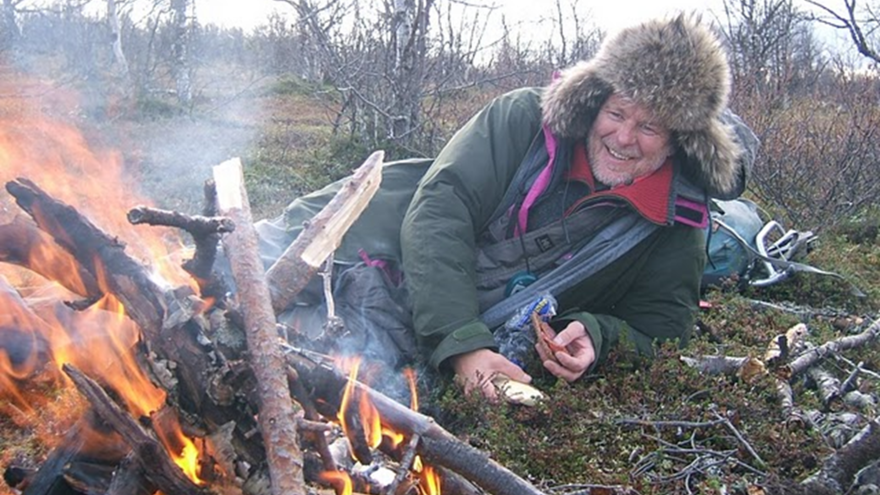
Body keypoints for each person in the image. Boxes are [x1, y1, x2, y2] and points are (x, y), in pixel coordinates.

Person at [255, 14, 759, 401]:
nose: (623, 138)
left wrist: (599, 335)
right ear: (594, 100)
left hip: (434, 314)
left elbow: (661, 330)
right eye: (616, 112)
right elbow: (439, 214)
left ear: (678, 140)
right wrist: (465, 346)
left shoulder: (674, 219)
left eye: (649, 127)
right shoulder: (522, 118)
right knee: (227, 299)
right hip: (353, 239)